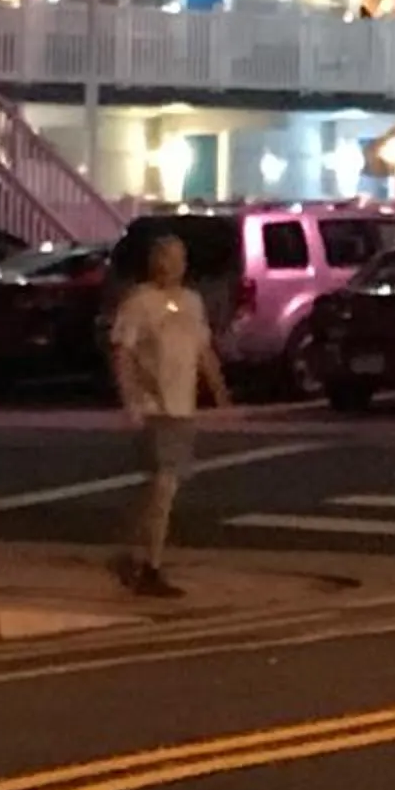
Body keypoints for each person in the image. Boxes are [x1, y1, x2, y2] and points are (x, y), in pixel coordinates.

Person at [110, 232, 231, 596]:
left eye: (177, 258)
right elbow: (122, 353)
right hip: (154, 407)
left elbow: (202, 349)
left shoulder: (192, 303)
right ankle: (150, 565)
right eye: (164, 257)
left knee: (163, 489)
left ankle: (134, 553)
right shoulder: (139, 303)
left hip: (183, 407)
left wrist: (220, 391)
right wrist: (130, 398)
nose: (171, 265)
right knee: (162, 487)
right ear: (153, 262)